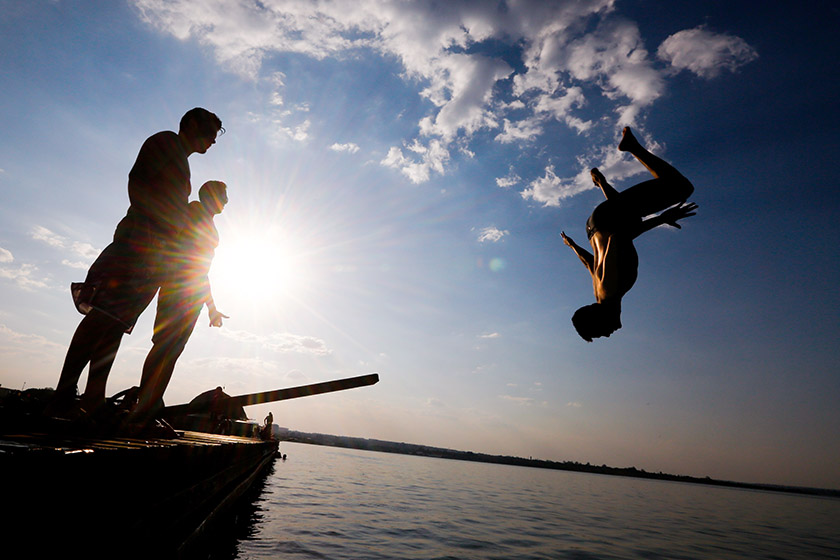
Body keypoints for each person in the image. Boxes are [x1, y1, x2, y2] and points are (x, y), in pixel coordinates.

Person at [48, 108, 223, 417]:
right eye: (210, 132)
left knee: (117, 323)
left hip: (152, 255)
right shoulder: (166, 143)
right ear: (192, 123)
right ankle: (64, 393)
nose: (212, 140)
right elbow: (137, 183)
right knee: (102, 316)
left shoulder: (181, 163)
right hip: (138, 244)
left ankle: (93, 398)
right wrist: (153, 230)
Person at [561, 127, 697, 342]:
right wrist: (572, 245)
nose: (608, 333)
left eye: (601, 332)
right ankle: (603, 184)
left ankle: (632, 147)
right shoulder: (600, 292)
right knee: (632, 218)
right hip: (597, 225)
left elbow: (619, 238)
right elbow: (591, 264)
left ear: (600, 319)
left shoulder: (611, 290)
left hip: (607, 220)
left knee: (681, 188)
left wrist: (663, 218)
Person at [129, 181, 229, 424]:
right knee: (162, 346)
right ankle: (143, 405)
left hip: (193, 293)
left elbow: (202, 270)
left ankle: (151, 405)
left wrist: (211, 307)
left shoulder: (210, 226)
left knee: (172, 351)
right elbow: (178, 252)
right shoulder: (192, 212)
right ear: (211, 197)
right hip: (176, 288)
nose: (226, 201)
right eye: (223, 196)